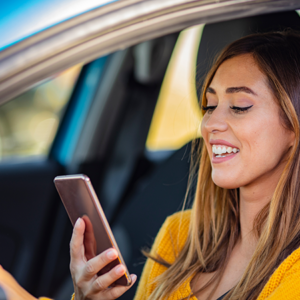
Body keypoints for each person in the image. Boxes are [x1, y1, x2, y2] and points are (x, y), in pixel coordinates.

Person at [1, 30, 300, 300]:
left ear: (294, 126)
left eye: (239, 106)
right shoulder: (180, 234)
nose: (210, 124)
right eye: (209, 106)